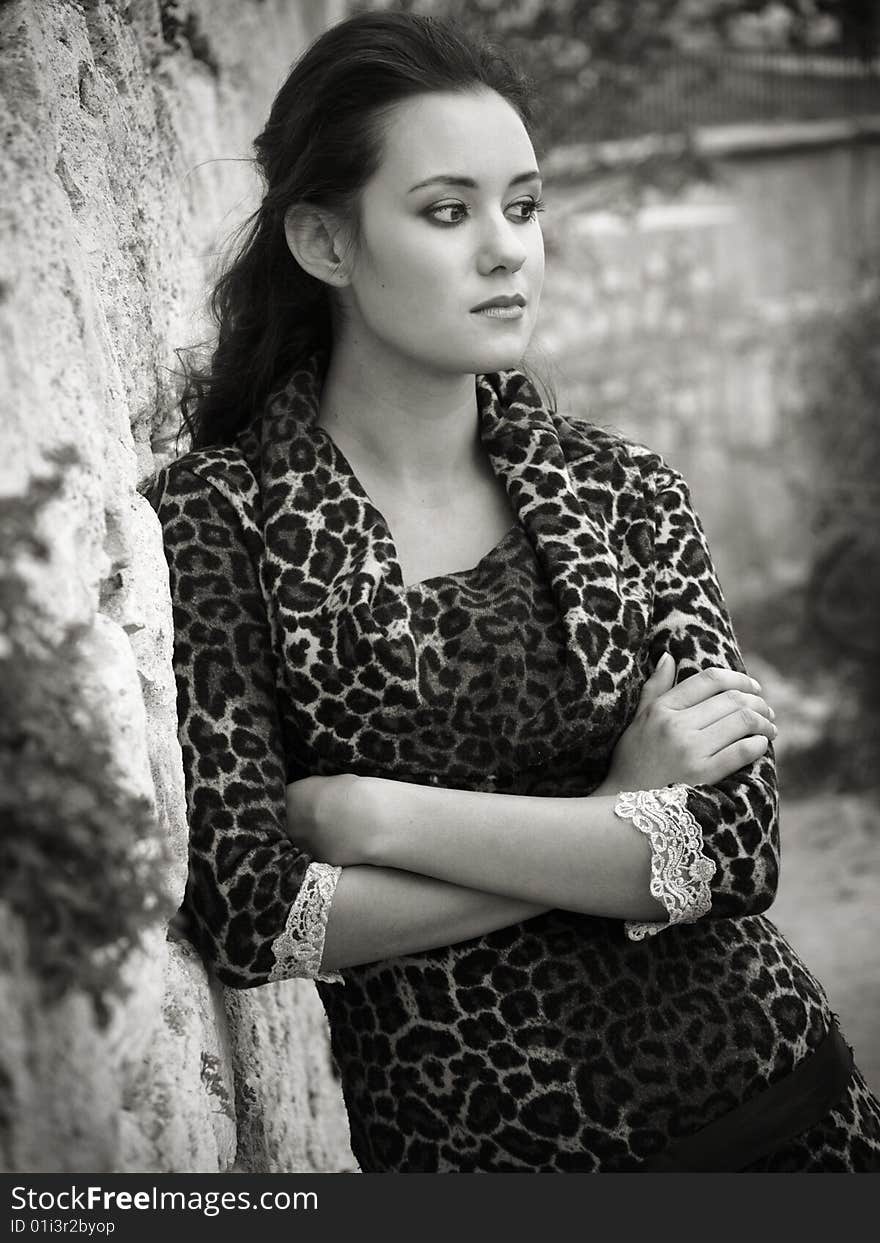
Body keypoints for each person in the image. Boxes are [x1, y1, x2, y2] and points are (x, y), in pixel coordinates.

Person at [146, 9, 880, 1173]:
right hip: (476, 1154)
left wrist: (379, 819)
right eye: (448, 212)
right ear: (325, 243)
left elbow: (733, 851)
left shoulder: (624, 490)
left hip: (776, 1109)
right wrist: (616, 816)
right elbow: (252, 911)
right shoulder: (220, 519)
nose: (507, 249)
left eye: (524, 206)